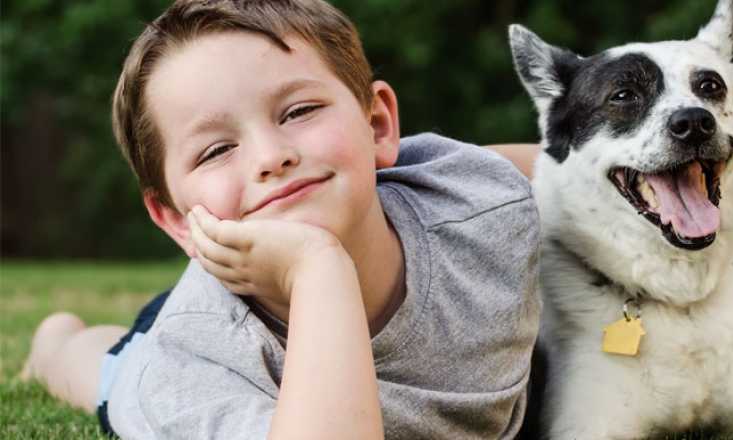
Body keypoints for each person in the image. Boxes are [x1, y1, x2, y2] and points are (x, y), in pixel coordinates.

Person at [19, 0, 543, 438]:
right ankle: (54, 344)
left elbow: (575, 172)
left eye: (298, 112)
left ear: (377, 125)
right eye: (216, 149)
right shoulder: (190, 371)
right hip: (215, 317)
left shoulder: (483, 203)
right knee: (104, 369)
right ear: (174, 218)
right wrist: (317, 268)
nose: (271, 156)